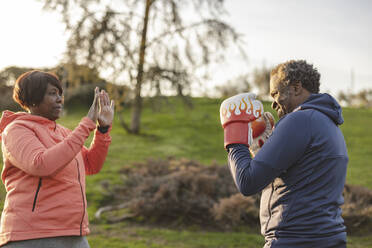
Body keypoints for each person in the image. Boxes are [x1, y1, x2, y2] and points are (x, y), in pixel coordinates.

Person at [220, 60, 348, 247]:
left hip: (293, 240)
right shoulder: (329, 124)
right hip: (328, 239)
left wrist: (234, 131)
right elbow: (301, 183)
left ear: (296, 88)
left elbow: (247, 182)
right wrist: (262, 153)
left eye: (276, 93)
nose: (273, 104)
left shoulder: (299, 120)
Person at [0, 70, 114, 247]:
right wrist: (85, 125)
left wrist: (103, 129)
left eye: (60, 93)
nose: (60, 99)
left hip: (74, 234)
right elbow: (41, 165)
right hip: (32, 236)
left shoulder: (63, 133)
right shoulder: (16, 130)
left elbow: (91, 165)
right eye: (52, 93)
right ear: (33, 98)